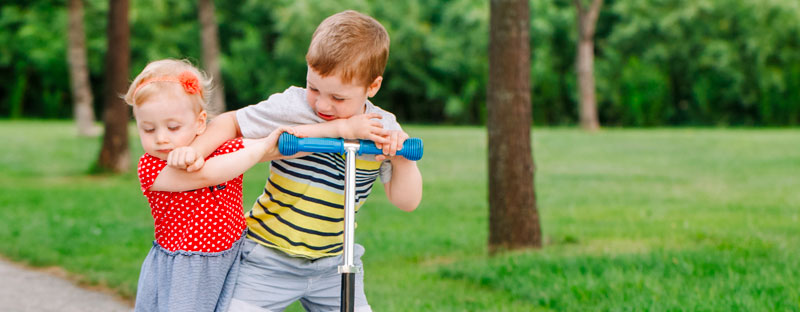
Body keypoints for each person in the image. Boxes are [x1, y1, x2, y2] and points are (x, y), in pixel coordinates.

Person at [167, 10, 423, 312]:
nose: (323, 104)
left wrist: (403, 159)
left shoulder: (383, 128)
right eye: (314, 88)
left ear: (373, 86)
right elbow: (231, 123)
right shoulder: (293, 106)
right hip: (269, 258)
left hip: (336, 263)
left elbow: (407, 201)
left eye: (338, 98)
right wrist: (197, 151)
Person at [127, 59, 294, 312]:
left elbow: (282, 148)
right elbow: (207, 175)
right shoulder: (152, 167)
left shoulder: (221, 149)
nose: (161, 138)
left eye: (173, 127)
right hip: (186, 270)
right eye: (148, 129)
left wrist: (341, 130)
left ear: (200, 122)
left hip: (233, 257)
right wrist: (261, 147)